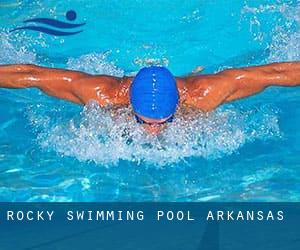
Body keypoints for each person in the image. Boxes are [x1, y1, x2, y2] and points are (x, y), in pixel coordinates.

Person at [0, 62, 299, 134]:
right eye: (143, 121)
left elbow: (273, 74)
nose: (153, 131)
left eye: (163, 122)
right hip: (117, 85)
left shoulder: (204, 94)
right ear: (130, 105)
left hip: (191, 84)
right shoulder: (101, 93)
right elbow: (31, 75)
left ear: (177, 108)